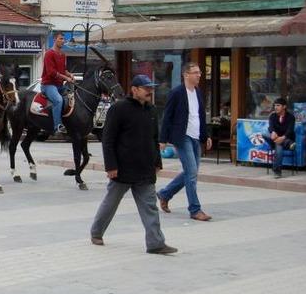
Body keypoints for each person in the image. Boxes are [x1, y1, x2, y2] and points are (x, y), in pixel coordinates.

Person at [90, 75, 177, 255]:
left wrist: (157, 162)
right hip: (122, 169)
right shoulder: (118, 109)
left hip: (145, 168)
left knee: (150, 207)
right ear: (134, 89)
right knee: (111, 203)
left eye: (151, 88)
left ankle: (155, 243)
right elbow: (108, 140)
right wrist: (111, 166)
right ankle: (96, 232)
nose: (149, 92)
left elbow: (154, 139)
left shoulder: (152, 111)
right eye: (146, 88)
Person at [156, 62, 213, 222]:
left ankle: (165, 194)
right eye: (195, 72)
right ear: (186, 75)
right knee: (192, 173)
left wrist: (205, 135)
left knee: (190, 172)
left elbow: (200, 116)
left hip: (196, 136)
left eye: (199, 72)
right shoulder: (177, 93)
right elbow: (167, 117)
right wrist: (163, 139)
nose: (199, 75)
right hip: (182, 137)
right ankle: (195, 209)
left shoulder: (198, 92)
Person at [41, 31, 75, 134]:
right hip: (48, 85)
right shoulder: (49, 54)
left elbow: (63, 70)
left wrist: (70, 75)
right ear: (54, 39)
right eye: (61, 39)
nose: (63, 41)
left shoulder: (62, 55)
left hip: (60, 85)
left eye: (63, 39)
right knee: (59, 100)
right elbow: (51, 72)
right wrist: (66, 78)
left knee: (74, 97)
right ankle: (58, 126)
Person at [265, 97, 297, 179]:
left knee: (279, 148)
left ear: (284, 107)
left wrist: (282, 138)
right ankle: (288, 143)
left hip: (285, 137)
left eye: (278, 105)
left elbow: (290, 131)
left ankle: (277, 171)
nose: (275, 107)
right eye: (275, 105)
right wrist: (273, 132)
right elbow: (270, 127)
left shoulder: (291, 117)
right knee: (264, 134)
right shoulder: (272, 116)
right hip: (275, 138)